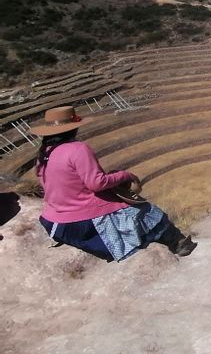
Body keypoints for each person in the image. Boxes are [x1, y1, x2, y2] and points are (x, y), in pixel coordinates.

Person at [31, 105, 196, 262]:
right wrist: (124, 175)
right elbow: (96, 183)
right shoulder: (77, 148)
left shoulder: (44, 152)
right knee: (148, 212)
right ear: (74, 128)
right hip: (82, 221)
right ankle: (179, 244)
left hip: (56, 220)